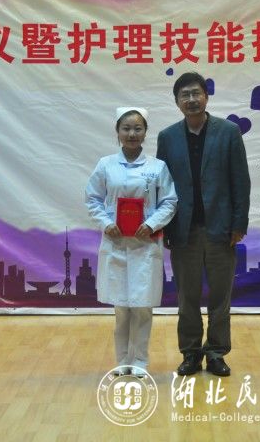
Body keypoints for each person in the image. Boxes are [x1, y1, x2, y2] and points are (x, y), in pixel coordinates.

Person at [157, 72, 251, 377]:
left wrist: (239, 223)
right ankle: (190, 353)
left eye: (196, 93)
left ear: (206, 96)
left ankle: (216, 353)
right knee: (187, 297)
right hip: (183, 230)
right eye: (184, 95)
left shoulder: (229, 132)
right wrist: (164, 226)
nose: (191, 99)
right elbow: (162, 186)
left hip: (221, 230)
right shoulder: (167, 137)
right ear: (177, 102)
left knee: (220, 297)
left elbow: (241, 181)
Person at [85, 107, 177, 376]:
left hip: (145, 245)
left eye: (138, 128)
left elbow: (169, 201)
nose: (132, 134)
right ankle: (122, 360)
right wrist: (106, 223)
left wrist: (151, 224)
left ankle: (140, 362)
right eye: (126, 128)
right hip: (115, 244)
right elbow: (92, 198)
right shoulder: (106, 165)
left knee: (142, 307)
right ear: (117, 132)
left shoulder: (157, 167)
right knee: (122, 308)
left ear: (145, 132)